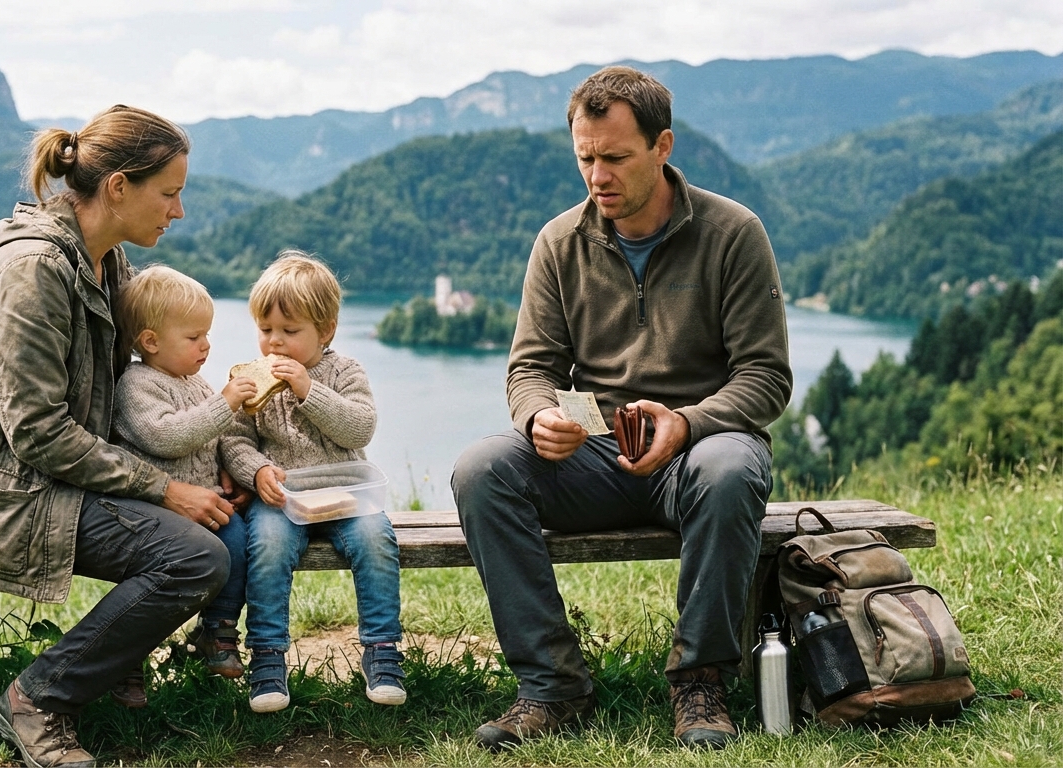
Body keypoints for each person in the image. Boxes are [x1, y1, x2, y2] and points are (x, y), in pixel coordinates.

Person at [451, 66, 792, 752]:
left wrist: (688, 422)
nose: (597, 176)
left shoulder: (734, 233)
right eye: (585, 158)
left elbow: (767, 377)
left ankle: (699, 682)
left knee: (730, 469)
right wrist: (538, 418)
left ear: (662, 146)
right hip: (593, 456)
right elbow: (531, 368)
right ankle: (552, 685)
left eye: (615, 158)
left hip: (698, 449)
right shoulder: (558, 242)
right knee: (482, 468)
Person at [0, 105, 242, 768]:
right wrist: (164, 487)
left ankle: (110, 667)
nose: (178, 211)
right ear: (118, 187)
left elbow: (141, 382)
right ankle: (38, 700)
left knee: (209, 529)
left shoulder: (103, 258)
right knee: (195, 558)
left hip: (55, 481)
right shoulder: (34, 273)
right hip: (3, 494)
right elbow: (36, 433)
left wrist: (206, 461)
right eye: (169, 193)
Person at [220, 252, 407, 714]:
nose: (275, 344)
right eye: (266, 330)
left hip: (345, 492)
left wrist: (308, 389)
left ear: (326, 331)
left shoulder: (345, 373)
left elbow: (359, 428)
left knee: (376, 539)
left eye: (290, 331)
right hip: (282, 499)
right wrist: (258, 472)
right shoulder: (251, 381)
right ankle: (267, 657)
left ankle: (382, 651)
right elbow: (233, 443)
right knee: (265, 545)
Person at [112, 265, 258, 683]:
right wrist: (225, 402)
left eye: (207, 335)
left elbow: (218, 437)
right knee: (147, 580)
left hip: (206, 504)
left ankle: (219, 630)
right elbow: (167, 436)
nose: (206, 346)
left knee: (238, 543)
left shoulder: (194, 383)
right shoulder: (137, 385)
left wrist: (234, 472)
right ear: (151, 341)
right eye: (194, 338)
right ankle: (127, 656)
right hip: (156, 511)